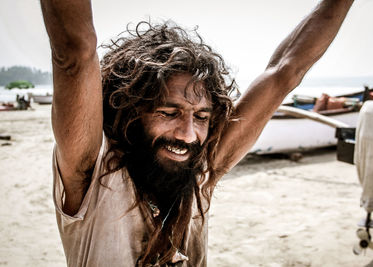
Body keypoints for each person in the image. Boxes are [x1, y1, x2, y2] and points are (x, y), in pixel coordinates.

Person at [40, 0, 354, 266]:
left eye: (201, 116)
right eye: (168, 112)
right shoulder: (93, 177)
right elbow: (74, 54)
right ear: (132, 110)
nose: (188, 135)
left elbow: (287, 69)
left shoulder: (199, 175)